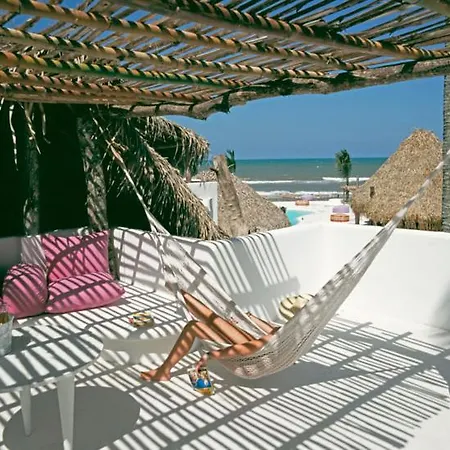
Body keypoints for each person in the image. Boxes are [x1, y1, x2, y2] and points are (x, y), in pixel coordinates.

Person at [140, 290, 279, 381]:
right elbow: (275, 331)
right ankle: (181, 290)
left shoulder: (286, 335)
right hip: (261, 346)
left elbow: (249, 348)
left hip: (253, 357)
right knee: (210, 319)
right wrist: (250, 318)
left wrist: (211, 355)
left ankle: (163, 371)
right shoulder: (289, 332)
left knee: (198, 324)